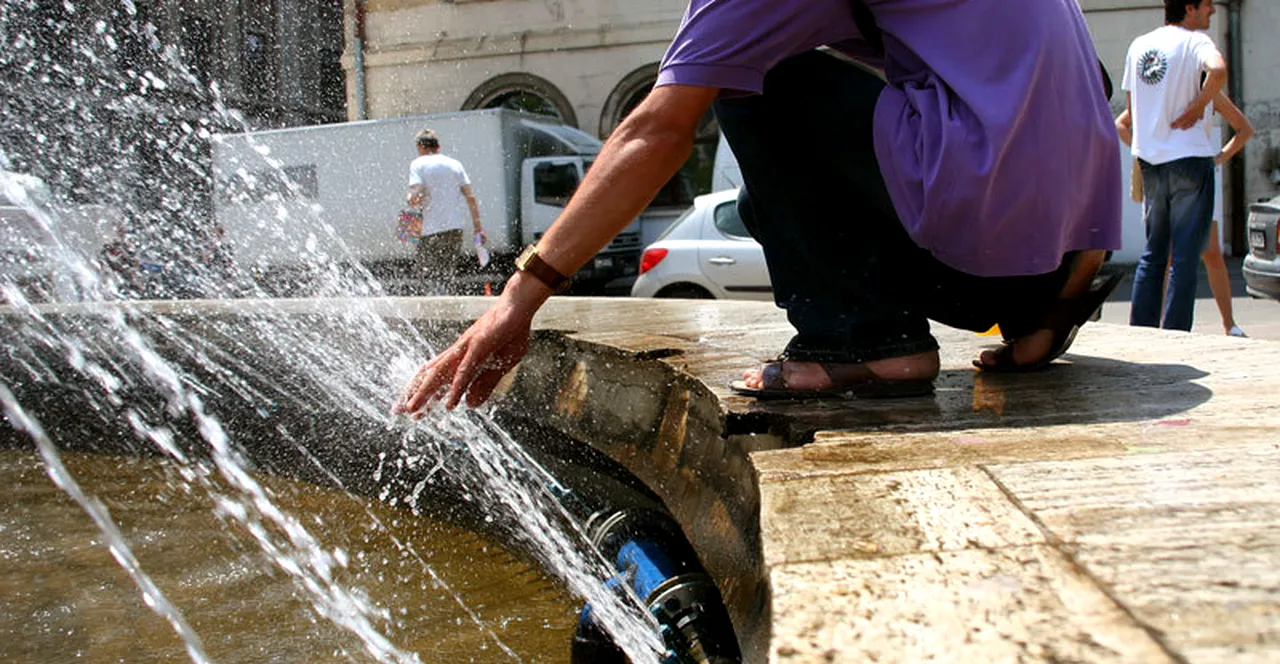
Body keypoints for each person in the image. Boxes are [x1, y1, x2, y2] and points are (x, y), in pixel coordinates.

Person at [394, 0, 1122, 414]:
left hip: (977, 252)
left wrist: (517, 298)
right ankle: (1043, 310)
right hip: (1050, 257)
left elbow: (657, 130)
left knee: (749, 80)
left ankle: (861, 341)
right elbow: (1082, 77)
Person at [1122, 0, 1227, 332]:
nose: (1212, 11)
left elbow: (1131, 110)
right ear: (1190, 7)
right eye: (1208, 5)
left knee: (1153, 256)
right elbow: (1219, 70)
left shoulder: (1139, 45)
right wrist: (1199, 106)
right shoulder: (1196, 41)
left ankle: (1142, 331)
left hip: (1151, 162)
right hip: (1190, 160)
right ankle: (1176, 335)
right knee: (1183, 259)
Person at [1117, 93, 1253, 336]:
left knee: (1211, 252)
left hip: (1197, 175)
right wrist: (1148, 150)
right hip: (1165, 174)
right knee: (1166, 256)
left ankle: (1229, 323)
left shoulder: (1210, 95)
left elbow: (1244, 129)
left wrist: (1218, 157)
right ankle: (1159, 327)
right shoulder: (1166, 90)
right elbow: (1121, 124)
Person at [407, 129, 486, 294]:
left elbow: (416, 197)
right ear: (438, 146)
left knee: (426, 275)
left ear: (420, 146)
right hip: (455, 228)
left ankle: (434, 312)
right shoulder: (455, 164)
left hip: (431, 230)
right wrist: (478, 228)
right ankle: (448, 306)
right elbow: (470, 197)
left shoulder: (418, 164)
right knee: (447, 274)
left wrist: (410, 198)